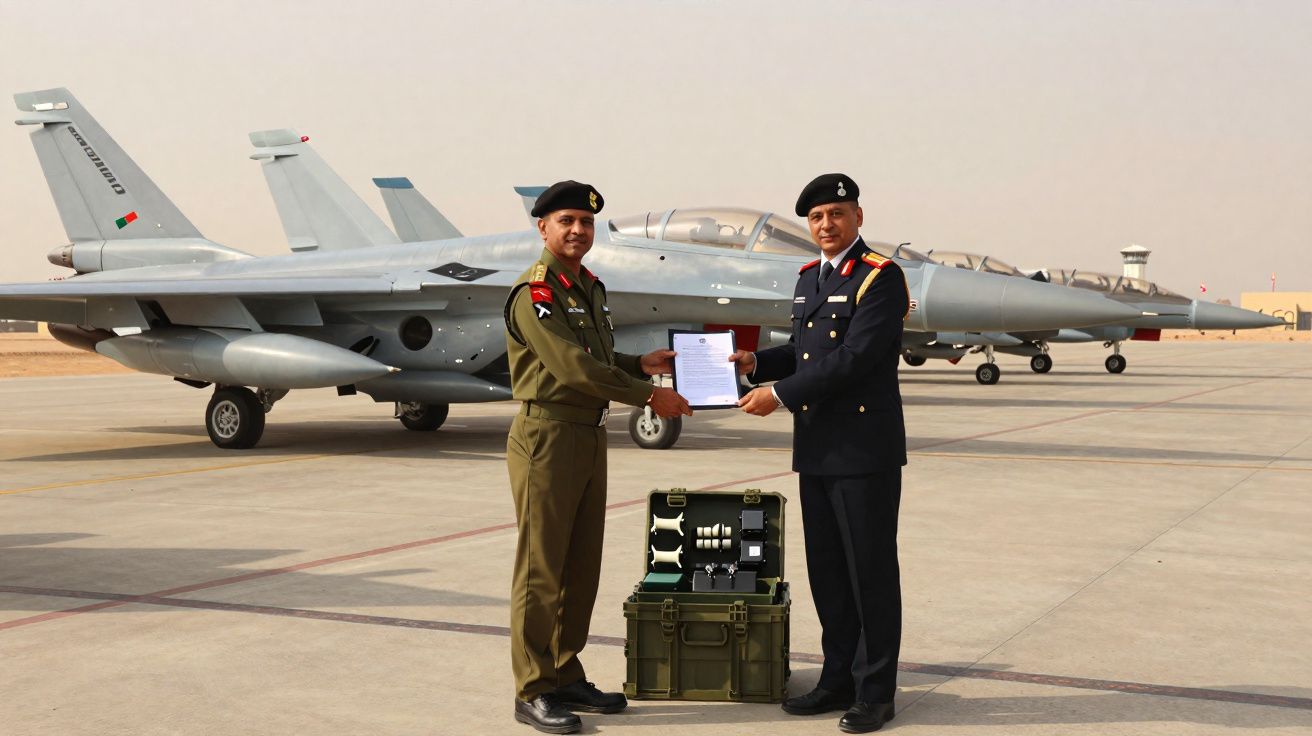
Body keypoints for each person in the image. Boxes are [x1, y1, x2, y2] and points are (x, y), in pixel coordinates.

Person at [503, 180, 693, 734]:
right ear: (543, 228)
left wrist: (639, 364)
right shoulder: (534, 292)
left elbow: (598, 356)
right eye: (566, 221)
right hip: (547, 438)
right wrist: (650, 395)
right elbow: (572, 369)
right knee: (542, 569)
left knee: (580, 565)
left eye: (586, 223)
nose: (578, 231)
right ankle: (532, 688)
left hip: (587, 434)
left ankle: (565, 672)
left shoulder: (589, 287)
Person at [730, 174, 909, 733]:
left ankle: (875, 690)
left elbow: (854, 358)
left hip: (863, 451)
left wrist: (778, 395)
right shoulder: (810, 277)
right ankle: (837, 679)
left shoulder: (880, 277)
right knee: (828, 571)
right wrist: (755, 364)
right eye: (817, 218)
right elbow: (805, 351)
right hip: (817, 450)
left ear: (858, 216)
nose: (826, 225)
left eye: (835, 213)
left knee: (870, 573)